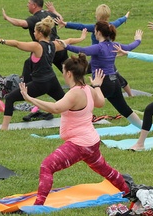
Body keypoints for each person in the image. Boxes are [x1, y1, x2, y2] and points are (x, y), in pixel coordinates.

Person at [19, 55, 129, 205]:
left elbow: (56, 108)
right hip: (91, 142)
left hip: (80, 145)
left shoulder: (75, 93)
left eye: (63, 71)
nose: (63, 74)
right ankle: (127, 191)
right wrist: (97, 86)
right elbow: (101, 102)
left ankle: (38, 206)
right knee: (105, 170)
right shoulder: (88, 89)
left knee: (47, 166)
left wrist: (30, 98)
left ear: (69, 73)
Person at [0, 17, 87, 130]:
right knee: (66, 103)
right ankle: (83, 120)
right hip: (52, 81)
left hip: (40, 83)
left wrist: (0, 40)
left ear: (40, 33)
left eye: (35, 31)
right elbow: (69, 41)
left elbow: (17, 43)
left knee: (10, 98)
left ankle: (4, 128)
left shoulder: (37, 46)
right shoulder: (54, 45)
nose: (34, 33)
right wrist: (82, 37)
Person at [63, 22, 143, 127]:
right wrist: (138, 40)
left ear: (99, 33)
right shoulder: (114, 45)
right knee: (125, 109)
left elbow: (83, 50)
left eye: (95, 30)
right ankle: (144, 127)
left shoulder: (99, 47)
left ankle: (73, 126)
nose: (94, 32)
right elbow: (129, 47)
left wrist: (65, 45)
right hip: (115, 83)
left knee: (79, 102)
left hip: (103, 83)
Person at [48, 2, 134, 96]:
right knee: (115, 76)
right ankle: (130, 94)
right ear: (108, 17)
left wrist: (66, 24)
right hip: (102, 58)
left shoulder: (96, 27)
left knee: (81, 71)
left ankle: (80, 90)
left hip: (99, 59)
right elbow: (119, 21)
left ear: (97, 16)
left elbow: (81, 26)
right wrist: (125, 17)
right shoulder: (111, 26)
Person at [1, 0, 67, 80]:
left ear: (34, 5)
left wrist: (7, 18)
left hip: (44, 50)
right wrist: (54, 11)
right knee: (70, 69)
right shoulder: (49, 14)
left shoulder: (35, 18)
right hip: (58, 47)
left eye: (29, 3)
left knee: (29, 64)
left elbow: (21, 23)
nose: (27, 5)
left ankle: (25, 85)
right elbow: (60, 19)